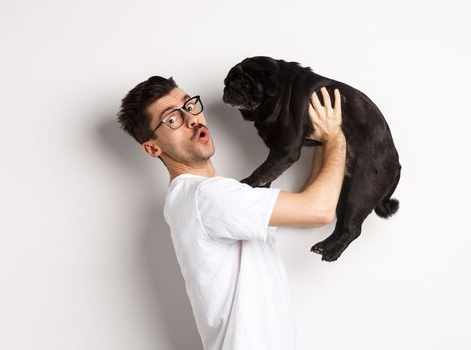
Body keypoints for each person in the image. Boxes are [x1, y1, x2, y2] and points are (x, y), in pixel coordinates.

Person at [117, 76, 346, 350]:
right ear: (153, 148)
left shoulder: (197, 199)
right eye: (172, 119)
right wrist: (335, 136)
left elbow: (306, 206)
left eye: (189, 105)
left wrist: (320, 141)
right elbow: (318, 211)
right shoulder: (207, 197)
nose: (191, 119)